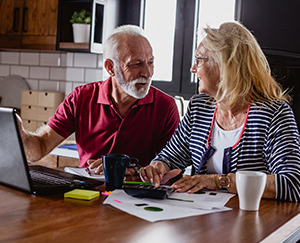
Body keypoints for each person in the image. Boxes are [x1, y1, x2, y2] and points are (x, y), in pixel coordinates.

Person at [140, 21, 300, 202]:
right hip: (200, 218)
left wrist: (220, 181)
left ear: (226, 65)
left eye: (199, 60)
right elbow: (171, 157)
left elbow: (292, 183)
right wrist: (159, 166)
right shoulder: (199, 107)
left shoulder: (274, 114)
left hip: (252, 221)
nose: (193, 69)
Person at [18, 25, 180, 175]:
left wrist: (131, 170)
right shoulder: (81, 97)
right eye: (136, 64)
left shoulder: (165, 106)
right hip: (86, 194)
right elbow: (41, 147)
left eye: (150, 62)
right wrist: (21, 135)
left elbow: (174, 166)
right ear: (110, 67)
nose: (147, 72)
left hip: (136, 198)